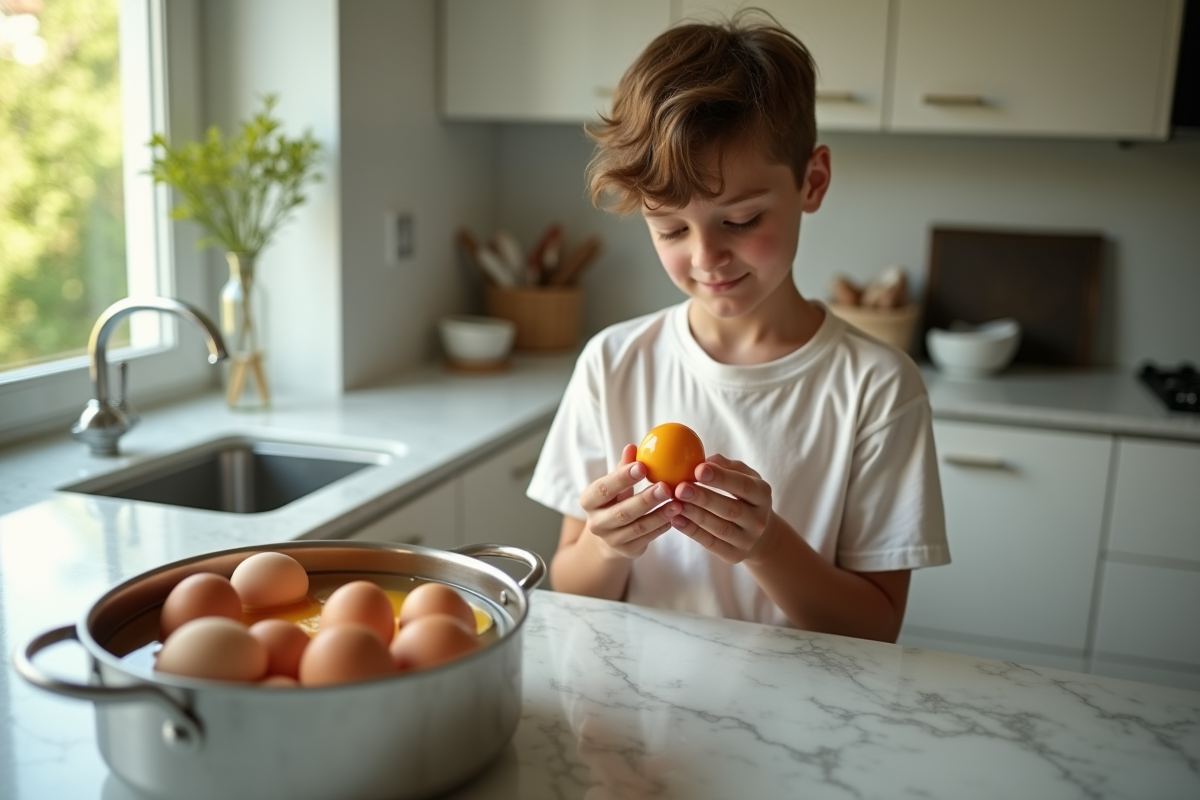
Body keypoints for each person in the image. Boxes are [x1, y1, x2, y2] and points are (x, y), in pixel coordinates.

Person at [525, 11, 949, 643]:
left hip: (801, 724)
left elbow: (877, 627)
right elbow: (573, 588)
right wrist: (610, 547)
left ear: (813, 181)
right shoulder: (613, 363)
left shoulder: (877, 387)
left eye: (743, 220)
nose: (705, 257)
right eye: (670, 229)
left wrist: (767, 544)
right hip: (642, 719)